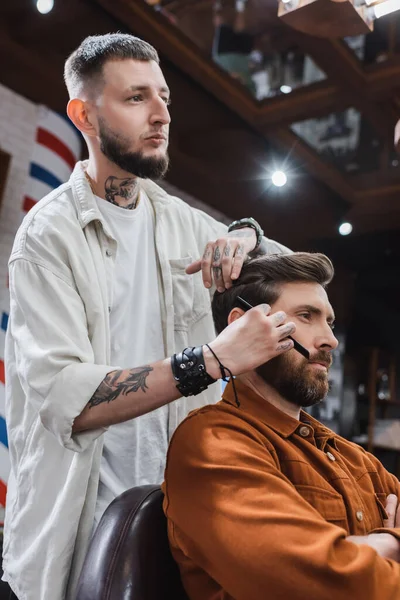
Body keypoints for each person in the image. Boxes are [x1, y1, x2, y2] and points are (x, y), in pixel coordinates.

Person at [2, 33, 291, 600]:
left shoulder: (179, 219)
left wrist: (246, 235)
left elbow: (300, 279)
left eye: (163, 99)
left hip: (181, 526)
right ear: (84, 114)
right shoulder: (47, 237)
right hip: (79, 536)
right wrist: (210, 361)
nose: (161, 115)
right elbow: (68, 397)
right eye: (136, 99)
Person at [163, 252, 400, 600]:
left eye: (330, 322)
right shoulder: (213, 442)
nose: (330, 340)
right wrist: (392, 541)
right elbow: (318, 587)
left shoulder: (356, 459)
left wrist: (373, 549)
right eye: (306, 316)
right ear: (241, 326)